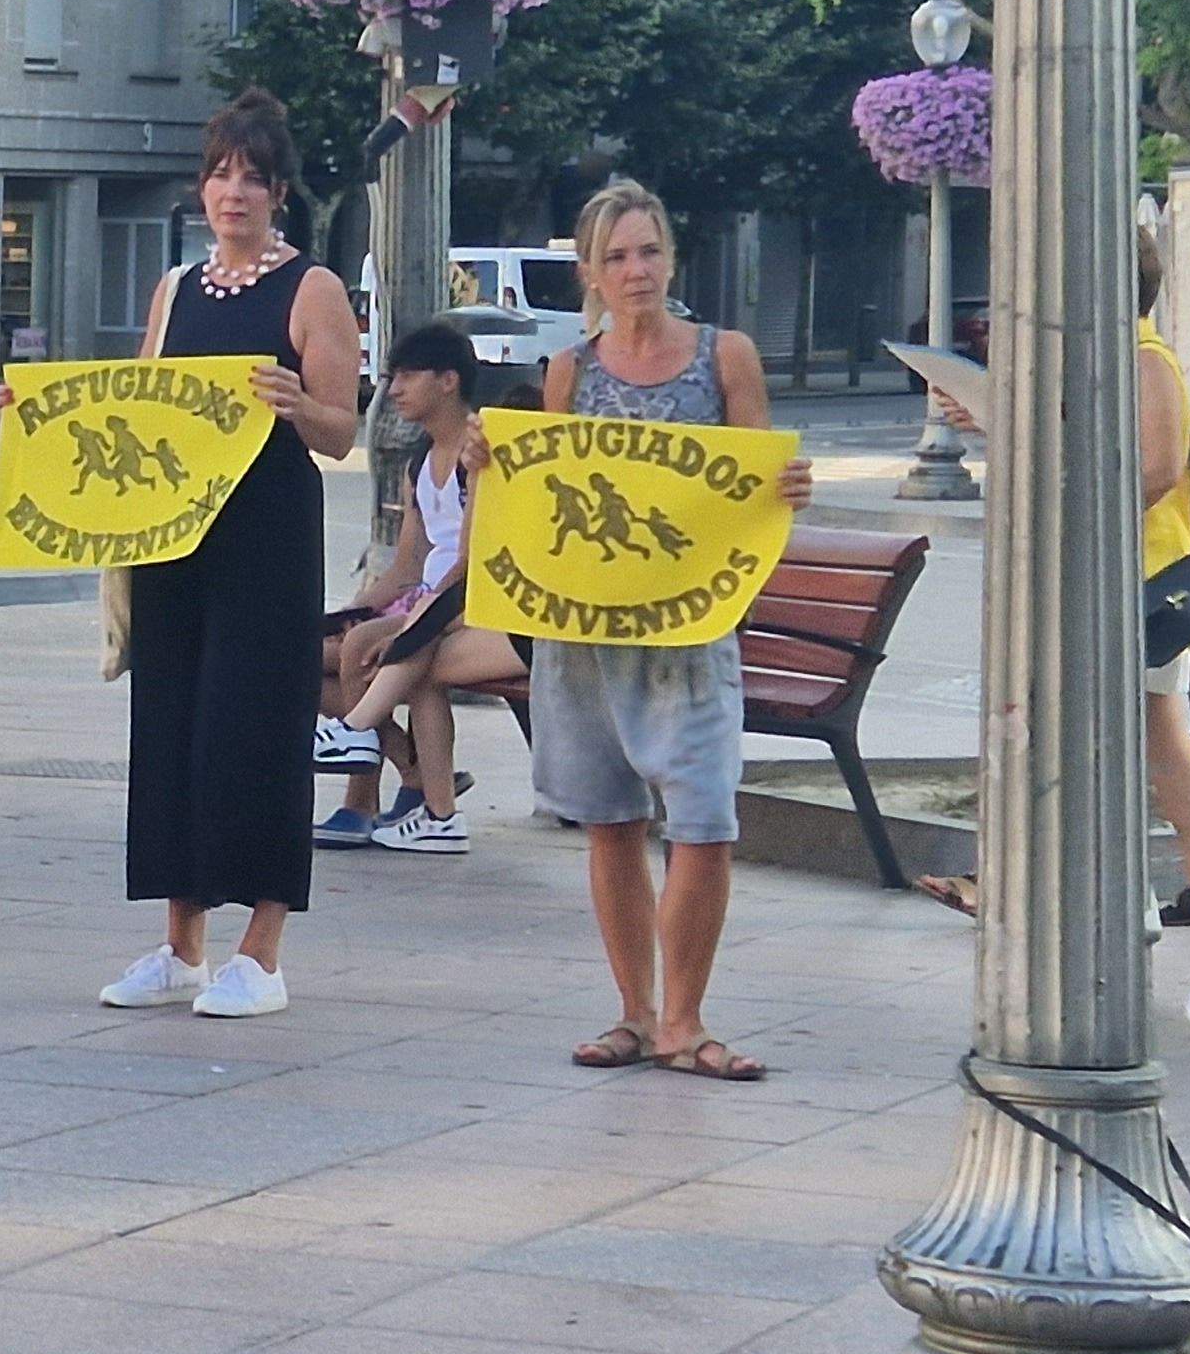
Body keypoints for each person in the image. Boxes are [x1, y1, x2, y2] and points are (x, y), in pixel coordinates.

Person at [517, 181, 810, 1078]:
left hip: (689, 631)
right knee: (609, 821)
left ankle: (685, 1019)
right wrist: (495, 462)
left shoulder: (726, 357)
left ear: (672, 259)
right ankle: (636, 1015)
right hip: (588, 631)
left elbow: (759, 480)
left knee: (704, 820)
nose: (635, 270)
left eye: (648, 251)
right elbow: (544, 491)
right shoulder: (570, 371)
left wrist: (788, 488)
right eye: (616, 257)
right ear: (589, 273)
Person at [97, 91, 364, 1019]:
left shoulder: (313, 289)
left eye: (252, 178)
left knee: (255, 726)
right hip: (176, 534)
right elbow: (136, 402)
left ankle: (263, 949)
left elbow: (341, 430)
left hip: (266, 536)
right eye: (219, 175)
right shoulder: (177, 288)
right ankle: (181, 943)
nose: (233, 193)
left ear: (279, 192)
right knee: (171, 723)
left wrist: (297, 404)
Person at [310, 326, 502, 854]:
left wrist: (406, 616)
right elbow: (406, 565)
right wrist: (351, 610)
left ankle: (361, 802)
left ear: (448, 381)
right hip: (422, 600)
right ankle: (413, 773)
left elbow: (471, 560)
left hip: (461, 603)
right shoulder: (419, 463)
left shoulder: (481, 452)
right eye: (391, 377)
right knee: (302, 655)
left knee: (362, 647)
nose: (393, 389)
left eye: (407, 376)